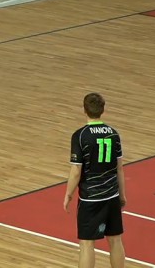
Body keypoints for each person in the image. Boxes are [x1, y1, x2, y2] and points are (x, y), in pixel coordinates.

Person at [64, 93, 127, 268]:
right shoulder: (113, 134)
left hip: (90, 199)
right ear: (103, 110)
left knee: (86, 244)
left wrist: (68, 194)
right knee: (115, 240)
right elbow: (119, 168)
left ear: (84, 110)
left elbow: (76, 170)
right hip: (112, 195)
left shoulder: (80, 135)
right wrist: (122, 194)